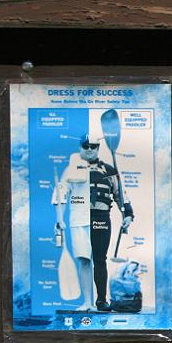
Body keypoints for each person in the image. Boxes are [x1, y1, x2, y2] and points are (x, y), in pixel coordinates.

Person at [54, 133, 134, 311]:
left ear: (98, 148)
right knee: (83, 259)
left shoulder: (109, 170)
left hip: (101, 219)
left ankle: (101, 301)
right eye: (85, 146)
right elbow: (60, 195)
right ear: (80, 148)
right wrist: (59, 219)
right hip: (79, 220)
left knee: (99, 259)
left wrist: (127, 215)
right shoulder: (71, 170)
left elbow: (121, 194)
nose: (89, 149)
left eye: (93, 146)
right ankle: (87, 302)